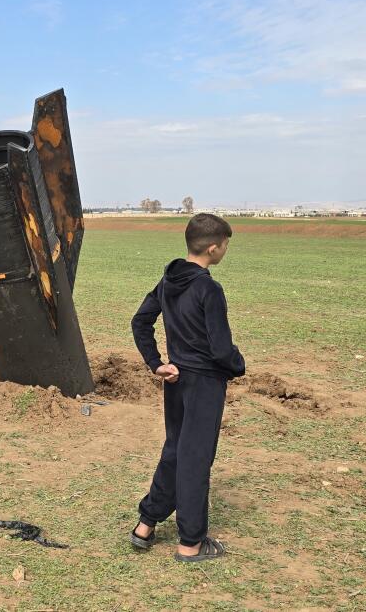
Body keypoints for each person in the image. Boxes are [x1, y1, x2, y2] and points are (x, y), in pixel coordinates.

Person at [128, 212, 246, 562]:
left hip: (176, 380)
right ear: (213, 248)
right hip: (204, 383)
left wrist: (157, 363)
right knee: (195, 458)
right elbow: (221, 348)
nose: (225, 250)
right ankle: (191, 543)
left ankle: (146, 524)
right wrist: (237, 365)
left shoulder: (168, 281)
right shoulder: (208, 287)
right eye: (225, 245)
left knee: (177, 450)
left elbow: (140, 321)